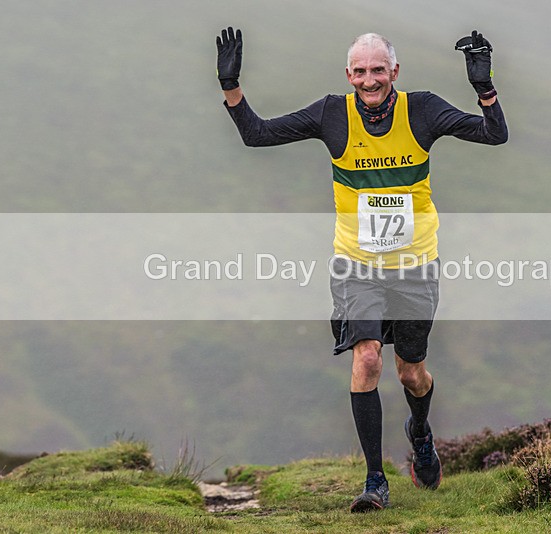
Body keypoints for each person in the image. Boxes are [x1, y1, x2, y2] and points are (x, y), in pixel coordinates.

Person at [216, 26, 508, 512]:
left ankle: (420, 432)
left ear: (394, 72)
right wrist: (231, 85)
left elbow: (495, 136)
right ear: (348, 74)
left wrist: (485, 89)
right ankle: (376, 481)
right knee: (367, 358)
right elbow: (257, 134)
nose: (369, 80)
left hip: (416, 263)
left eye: (378, 70)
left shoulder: (423, 109)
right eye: (360, 71)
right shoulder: (333, 114)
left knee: (411, 373)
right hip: (357, 263)